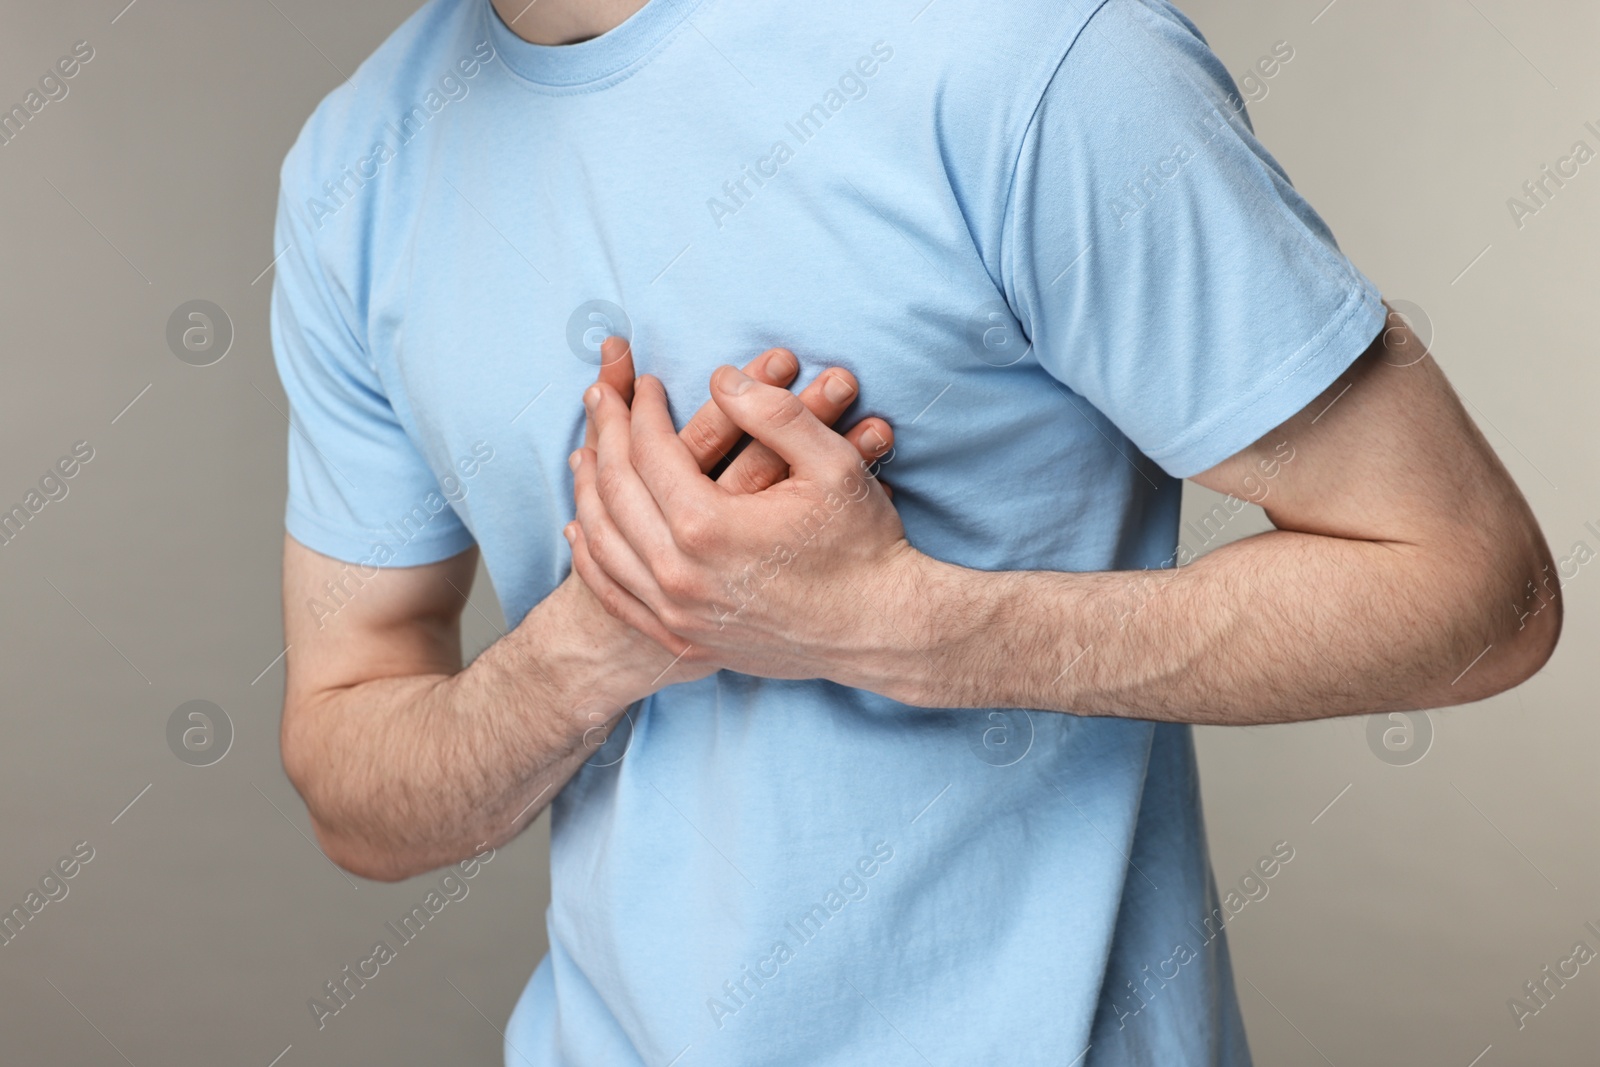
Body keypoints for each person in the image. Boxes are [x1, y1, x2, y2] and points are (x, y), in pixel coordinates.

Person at [269, 0, 1561, 1063]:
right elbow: (355, 791)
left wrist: (900, 628)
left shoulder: (1031, 55)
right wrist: (595, 644)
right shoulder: (355, 167)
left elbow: (1476, 589)